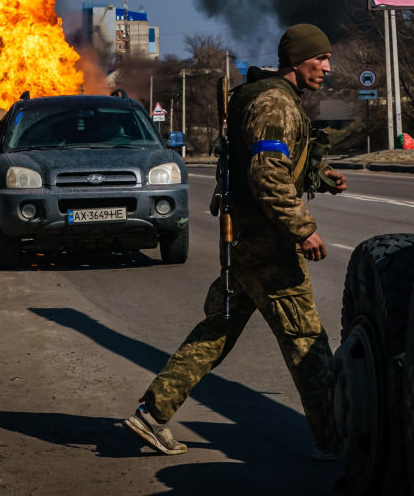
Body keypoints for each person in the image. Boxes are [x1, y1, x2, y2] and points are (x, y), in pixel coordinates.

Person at [124, 23, 348, 458]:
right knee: (307, 343)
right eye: (320, 58)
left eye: (327, 59)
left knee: (217, 331)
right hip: (267, 246)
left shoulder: (269, 98)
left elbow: (271, 160)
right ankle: (339, 441)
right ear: (297, 60)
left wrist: (320, 175)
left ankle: (152, 414)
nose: (326, 66)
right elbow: (267, 173)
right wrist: (304, 229)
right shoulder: (275, 104)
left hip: (247, 240)